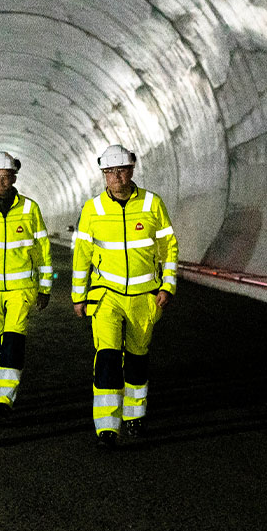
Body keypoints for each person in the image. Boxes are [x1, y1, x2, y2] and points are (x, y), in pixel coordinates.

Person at [71, 144, 178, 449]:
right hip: (106, 297)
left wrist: (167, 285)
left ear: (131, 170)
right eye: (110, 172)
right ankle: (106, 426)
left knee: (137, 360)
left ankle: (134, 415)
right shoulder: (92, 210)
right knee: (106, 358)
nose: (116, 177)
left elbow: (169, 247)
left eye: (121, 170)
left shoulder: (152, 204)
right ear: (103, 175)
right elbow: (82, 255)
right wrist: (79, 295)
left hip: (144, 297)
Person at [0, 151, 53, 420]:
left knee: (13, 341)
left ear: (14, 177)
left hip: (21, 289)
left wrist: (45, 287)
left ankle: (4, 398)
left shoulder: (30, 209)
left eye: (5, 177)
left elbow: (42, 249)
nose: (0, 182)